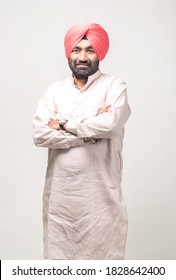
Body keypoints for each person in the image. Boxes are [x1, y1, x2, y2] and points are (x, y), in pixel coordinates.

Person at [33, 23, 131, 260]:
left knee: (103, 265)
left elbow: (111, 124)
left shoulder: (114, 86)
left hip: (101, 200)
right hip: (61, 202)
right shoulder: (54, 91)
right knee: (59, 267)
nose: (83, 57)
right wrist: (88, 133)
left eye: (90, 50)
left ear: (100, 54)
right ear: (69, 54)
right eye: (76, 50)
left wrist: (65, 124)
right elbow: (40, 134)